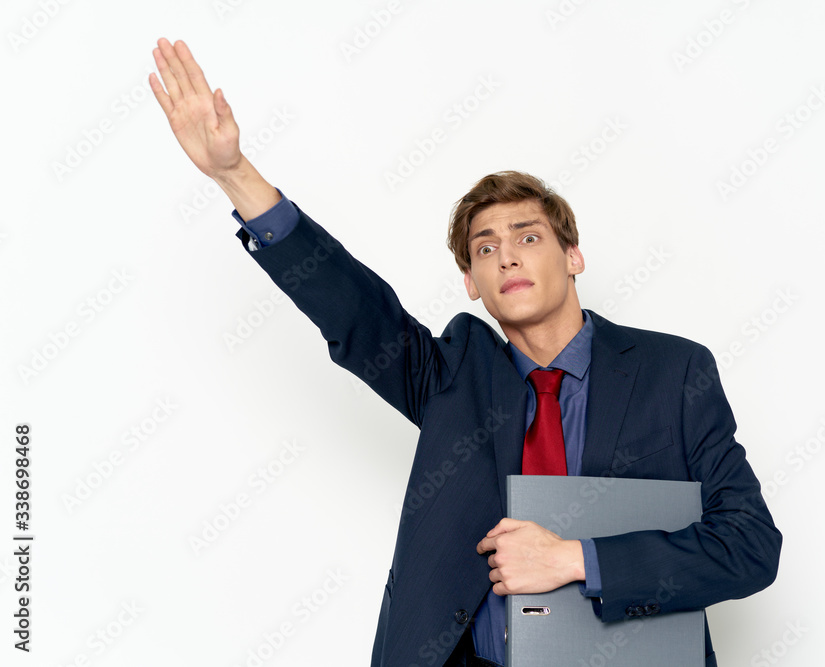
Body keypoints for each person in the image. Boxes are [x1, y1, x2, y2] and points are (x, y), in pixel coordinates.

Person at [149, 38, 781, 667]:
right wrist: (234, 173)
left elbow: (750, 545)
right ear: (472, 286)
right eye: (484, 249)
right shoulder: (452, 376)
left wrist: (573, 558)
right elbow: (354, 308)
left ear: (572, 255)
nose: (506, 255)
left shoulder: (673, 372)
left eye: (528, 236)